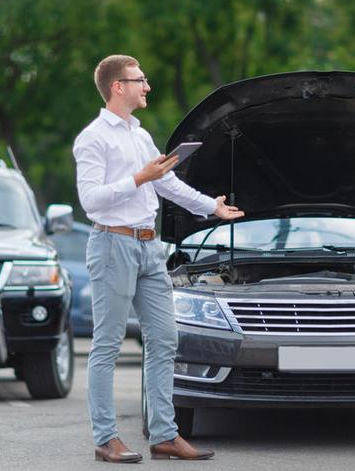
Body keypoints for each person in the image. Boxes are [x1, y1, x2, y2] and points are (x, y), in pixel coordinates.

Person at [73, 54, 244, 463]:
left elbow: (167, 183)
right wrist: (139, 178)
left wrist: (211, 207)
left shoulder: (139, 134)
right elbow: (91, 201)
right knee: (108, 345)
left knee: (165, 340)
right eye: (140, 80)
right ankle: (105, 438)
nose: (146, 86)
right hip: (113, 245)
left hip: (151, 247)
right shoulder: (93, 137)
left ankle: (165, 436)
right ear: (118, 86)